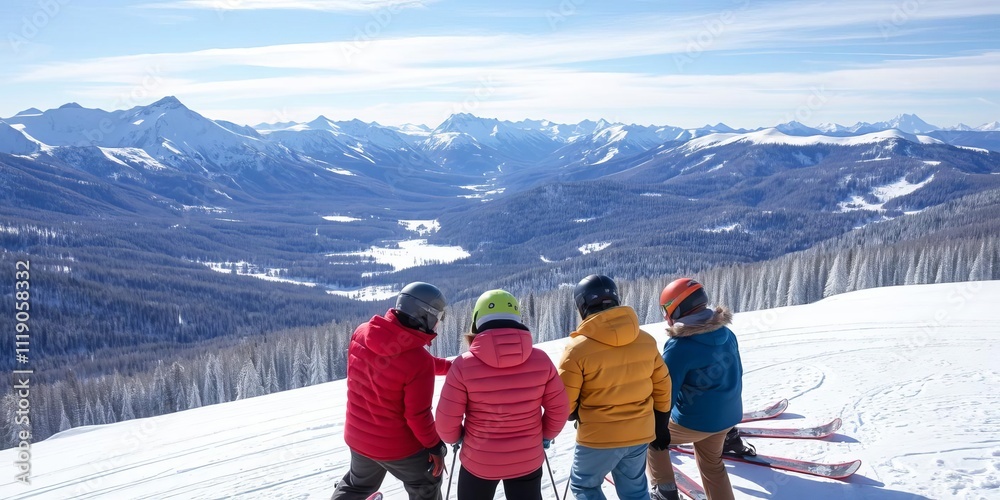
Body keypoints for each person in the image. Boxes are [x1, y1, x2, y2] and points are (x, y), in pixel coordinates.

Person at [435, 289, 570, 500]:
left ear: (477, 322)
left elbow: (445, 422)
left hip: (479, 460)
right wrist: (545, 435)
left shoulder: (463, 365)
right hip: (528, 459)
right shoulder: (541, 360)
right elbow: (560, 408)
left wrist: (457, 437)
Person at [332, 282, 452, 500]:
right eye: (437, 318)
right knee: (426, 482)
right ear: (425, 316)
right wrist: (436, 448)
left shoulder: (362, 333)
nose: (437, 324)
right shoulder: (418, 361)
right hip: (398, 448)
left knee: (356, 485)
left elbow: (397, 361)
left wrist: (450, 368)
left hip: (358, 437)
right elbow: (418, 416)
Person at [558, 275, 672, 500]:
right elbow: (663, 386)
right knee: (635, 490)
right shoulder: (646, 340)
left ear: (582, 306)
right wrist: (661, 425)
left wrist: (573, 412)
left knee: (585, 487)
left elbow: (565, 400)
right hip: (640, 432)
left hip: (598, 436)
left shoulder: (576, 350)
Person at [646, 278, 743, 500]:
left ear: (676, 309)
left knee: (650, 440)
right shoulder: (727, 334)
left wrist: (656, 427)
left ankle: (664, 491)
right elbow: (737, 373)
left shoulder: (680, 347)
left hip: (695, 421)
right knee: (712, 465)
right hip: (727, 417)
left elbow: (664, 392)